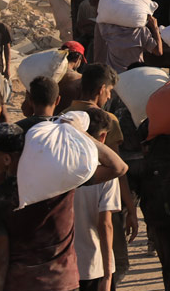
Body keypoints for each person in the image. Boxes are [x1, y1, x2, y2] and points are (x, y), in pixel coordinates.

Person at [0, 114, 128, 291]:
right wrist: (81, 132)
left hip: (22, 283)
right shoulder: (59, 177)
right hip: (63, 281)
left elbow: (2, 254)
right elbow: (118, 167)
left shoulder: (5, 196)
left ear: (6, 158)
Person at [75, 108, 123, 291]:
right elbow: (105, 225)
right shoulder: (107, 174)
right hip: (94, 266)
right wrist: (108, 275)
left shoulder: (64, 167)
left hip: (66, 266)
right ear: (102, 137)